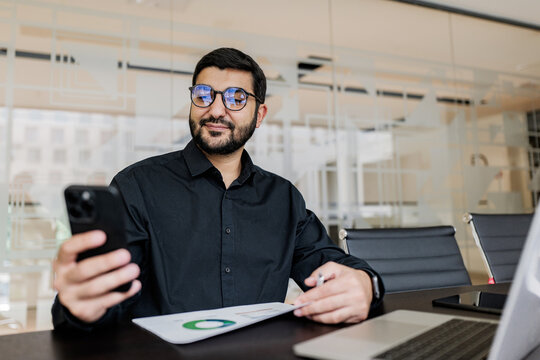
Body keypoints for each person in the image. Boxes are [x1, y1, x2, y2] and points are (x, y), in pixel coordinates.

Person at [52, 47, 384, 330]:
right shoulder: (137, 185)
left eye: (236, 98)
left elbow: (331, 264)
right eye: (203, 95)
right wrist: (79, 307)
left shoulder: (283, 198)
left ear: (260, 114)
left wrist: (367, 285)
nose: (215, 109)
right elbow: (110, 296)